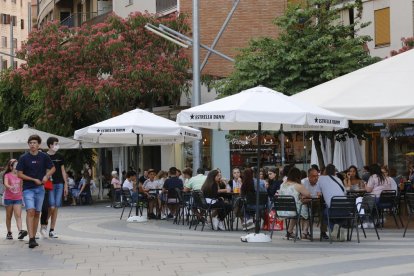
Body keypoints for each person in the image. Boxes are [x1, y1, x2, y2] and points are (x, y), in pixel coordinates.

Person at [16, 134, 55, 248]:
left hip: (40, 189)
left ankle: (33, 235)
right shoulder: (24, 157)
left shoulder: (44, 156)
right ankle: (31, 238)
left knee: (37, 212)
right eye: (30, 143)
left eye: (34, 143)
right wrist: (33, 179)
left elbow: (53, 168)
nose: (32, 145)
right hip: (28, 189)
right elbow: (19, 174)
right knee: (30, 211)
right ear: (29, 145)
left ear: (38, 144)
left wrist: (46, 176)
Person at [44, 137, 68, 238]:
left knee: (56, 206)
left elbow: (63, 171)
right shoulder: (44, 156)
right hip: (49, 183)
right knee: (52, 206)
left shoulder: (60, 156)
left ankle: (52, 230)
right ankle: (43, 223)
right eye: (56, 143)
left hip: (59, 184)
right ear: (50, 145)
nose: (57, 145)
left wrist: (66, 184)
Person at [279, 167, 311, 239]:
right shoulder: (297, 186)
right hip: (293, 210)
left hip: (282, 211)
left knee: (296, 211)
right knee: (308, 211)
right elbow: (309, 195)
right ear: (298, 176)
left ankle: (289, 232)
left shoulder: (282, 185)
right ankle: (304, 232)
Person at [316, 163, 346, 240]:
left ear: (325, 171)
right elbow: (345, 192)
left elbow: (318, 194)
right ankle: (341, 227)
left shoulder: (321, 179)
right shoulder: (338, 179)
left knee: (324, 214)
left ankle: (334, 227)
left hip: (332, 210)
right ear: (334, 172)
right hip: (345, 210)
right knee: (338, 214)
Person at [3, 159, 28, 240]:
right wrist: (10, 186)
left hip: (18, 198)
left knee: (18, 215)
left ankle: (20, 231)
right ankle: (9, 232)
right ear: (11, 167)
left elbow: (21, 187)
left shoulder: (20, 175)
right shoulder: (7, 175)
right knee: (9, 216)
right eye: (15, 165)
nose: (17, 167)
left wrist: (22, 198)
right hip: (8, 198)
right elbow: (6, 184)